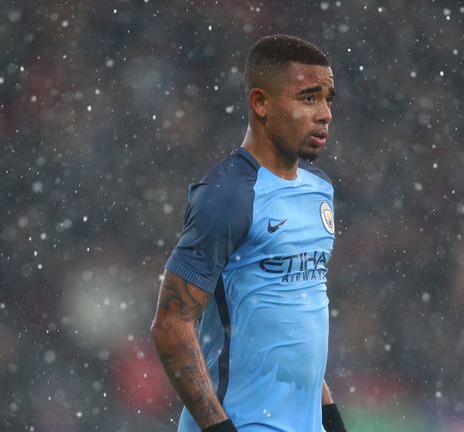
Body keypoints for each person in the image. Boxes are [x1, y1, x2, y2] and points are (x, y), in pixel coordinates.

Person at [151, 34, 347, 432]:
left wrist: (330, 419)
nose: (325, 113)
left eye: (328, 98)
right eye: (308, 98)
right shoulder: (228, 195)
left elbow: (297, 321)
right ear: (261, 103)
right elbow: (172, 324)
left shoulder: (319, 189)